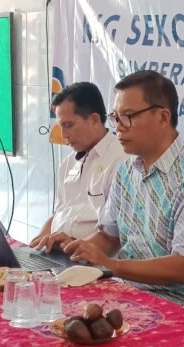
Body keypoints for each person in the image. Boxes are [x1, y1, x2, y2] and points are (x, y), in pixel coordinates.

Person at [63, 70, 184, 318]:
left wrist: (112, 265)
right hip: (132, 294)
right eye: (115, 117)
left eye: (128, 117)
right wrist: (76, 248)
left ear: (163, 117)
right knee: (59, 314)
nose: (118, 127)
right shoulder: (126, 171)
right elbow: (109, 236)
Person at [30, 82, 126, 251]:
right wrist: (36, 245)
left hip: (93, 261)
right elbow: (60, 213)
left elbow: (116, 235)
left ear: (94, 120)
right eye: (60, 127)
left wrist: (72, 244)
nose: (64, 135)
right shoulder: (68, 163)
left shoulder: (121, 161)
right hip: (59, 254)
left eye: (68, 125)